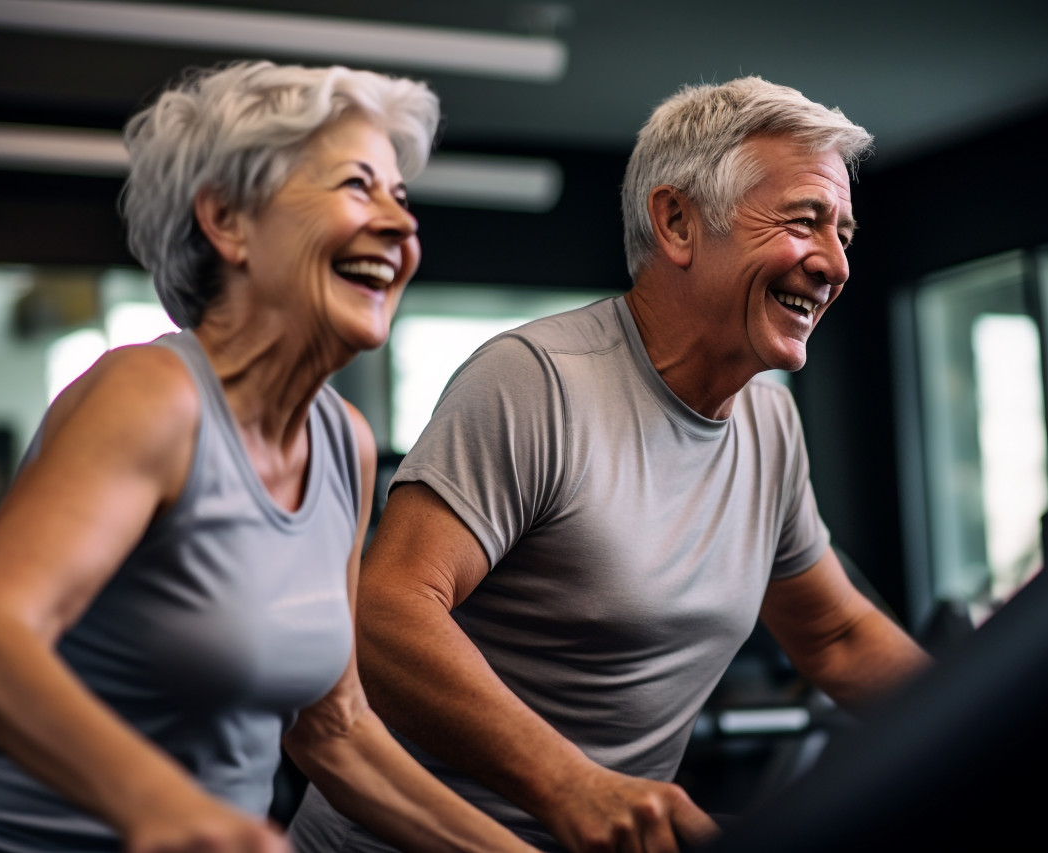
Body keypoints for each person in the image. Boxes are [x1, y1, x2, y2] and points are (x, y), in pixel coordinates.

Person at [0, 61, 539, 853]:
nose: (399, 225)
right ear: (228, 221)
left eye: (401, 198)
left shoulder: (343, 442)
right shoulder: (151, 396)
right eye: (357, 185)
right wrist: (165, 808)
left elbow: (334, 725)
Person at [289, 76, 934, 853]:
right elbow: (387, 612)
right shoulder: (539, 381)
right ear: (677, 223)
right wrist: (571, 785)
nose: (835, 263)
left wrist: (998, 722)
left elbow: (835, 632)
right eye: (804, 222)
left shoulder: (769, 424)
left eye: (844, 235)